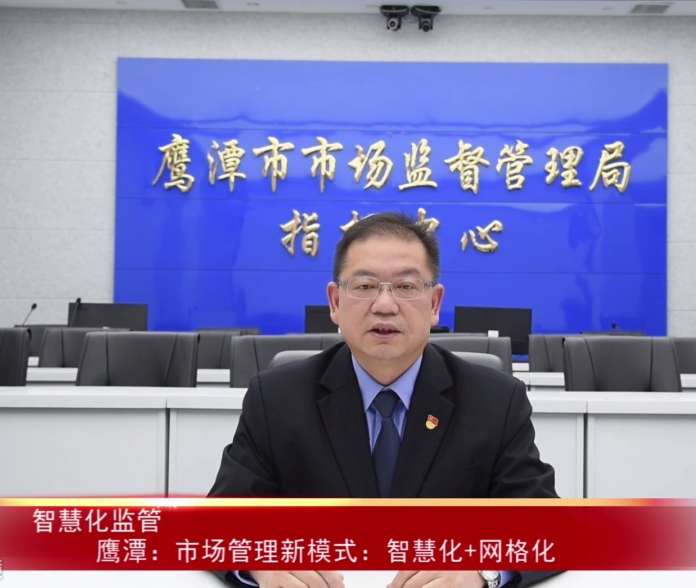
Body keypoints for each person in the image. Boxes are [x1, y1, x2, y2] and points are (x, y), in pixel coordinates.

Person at [209, 212, 558, 588]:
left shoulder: (495, 401)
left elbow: (551, 529)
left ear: (435, 303)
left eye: (406, 286)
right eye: (365, 286)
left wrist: (484, 572)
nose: (385, 305)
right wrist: (262, 565)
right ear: (335, 302)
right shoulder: (276, 399)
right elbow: (217, 524)